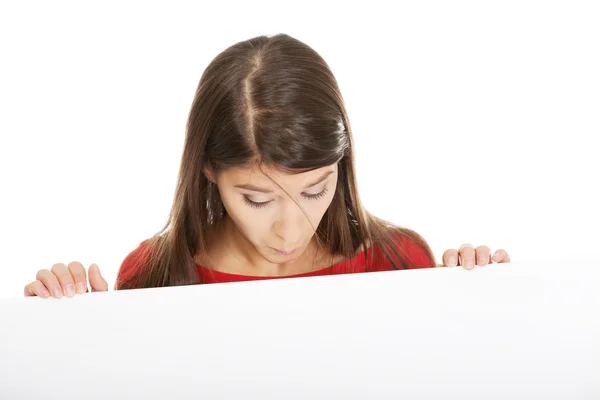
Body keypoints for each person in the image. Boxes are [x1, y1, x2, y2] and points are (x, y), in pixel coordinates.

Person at [23, 33, 511, 299]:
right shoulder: (154, 276)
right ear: (209, 171)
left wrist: (483, 297)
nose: (290, 229)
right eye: (257, 198)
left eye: (315, 190)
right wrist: (64, 331)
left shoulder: (399, 259)